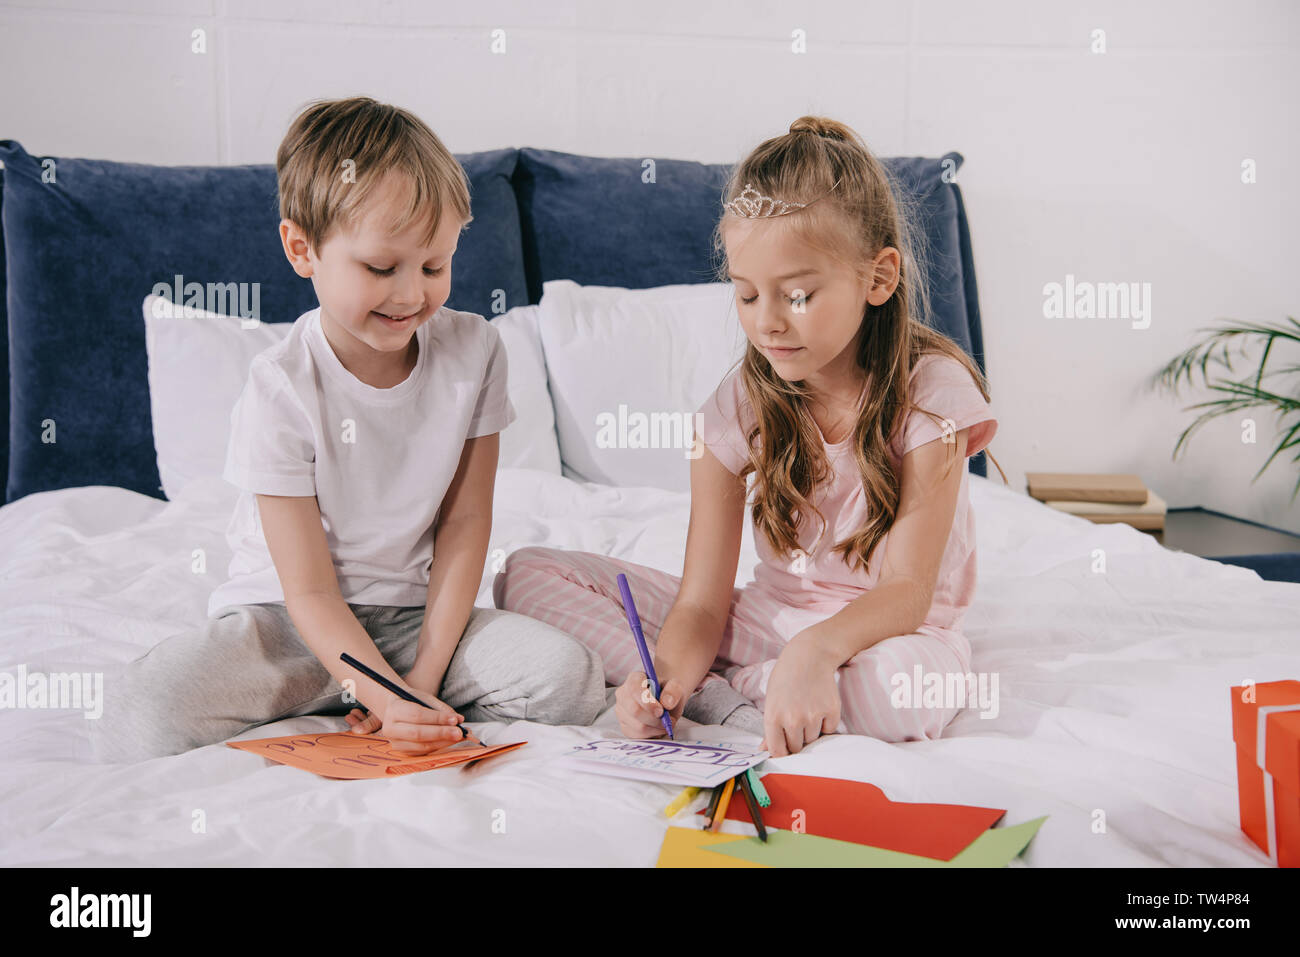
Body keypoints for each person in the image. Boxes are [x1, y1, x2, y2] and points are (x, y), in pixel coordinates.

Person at [88, 97, 605, 763]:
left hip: (418, 623)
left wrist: (416, 684)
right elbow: (307, 588)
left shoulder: (476, 352)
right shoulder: (280, 386)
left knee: (568, 675)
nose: (411, 294)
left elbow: (466, 525)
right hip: (291, 625)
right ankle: (343, 694)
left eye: (434, 265)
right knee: (141, 707)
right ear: (302, 248)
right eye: (381, 267)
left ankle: (368, 695)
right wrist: (386, 699)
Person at [494, 116, 1003, 757]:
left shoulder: (934, 393)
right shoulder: (733, 409)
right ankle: (720, 697)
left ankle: (746, 692)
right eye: (745, 294)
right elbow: (702, 604)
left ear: (877, 278)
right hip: (767, 621)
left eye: (797, 295)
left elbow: (906, 591)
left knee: (897, 694)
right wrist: (668, 681)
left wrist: (816, 651)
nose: (766, 324)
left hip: (891, 634)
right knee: (526, 575)